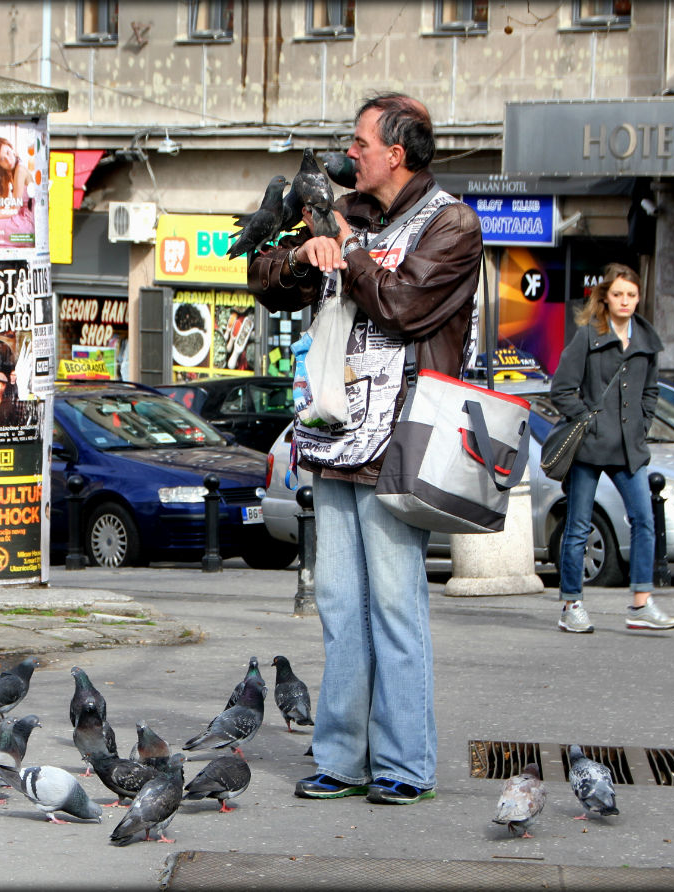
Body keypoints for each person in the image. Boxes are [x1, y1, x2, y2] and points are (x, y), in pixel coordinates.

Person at [247, 93, 483, 806]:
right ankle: (342, 759)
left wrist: (345, 250)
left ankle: (405, 766)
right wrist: (301, 257)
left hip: (401, 441)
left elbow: (405, 305)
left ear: (396, 154)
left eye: (360, 143)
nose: (350, 152)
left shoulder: (452, 224)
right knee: (341, 608)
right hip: (334, 436)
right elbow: (261, 275)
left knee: (396, 609)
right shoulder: (346, 209)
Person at [548, 262, 674, 634]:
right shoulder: (588, 335)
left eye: (632, 295)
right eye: (618, 294)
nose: (625, 301)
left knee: (644, 520)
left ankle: (641, 603)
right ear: (605, 296)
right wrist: (588, 420)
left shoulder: (646, 340)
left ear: (639, 298)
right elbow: (561, 389)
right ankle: (571, 604)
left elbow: (650, 391)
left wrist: (642, 424)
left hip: (629, 448)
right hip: (590, 448)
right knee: (577, 526)